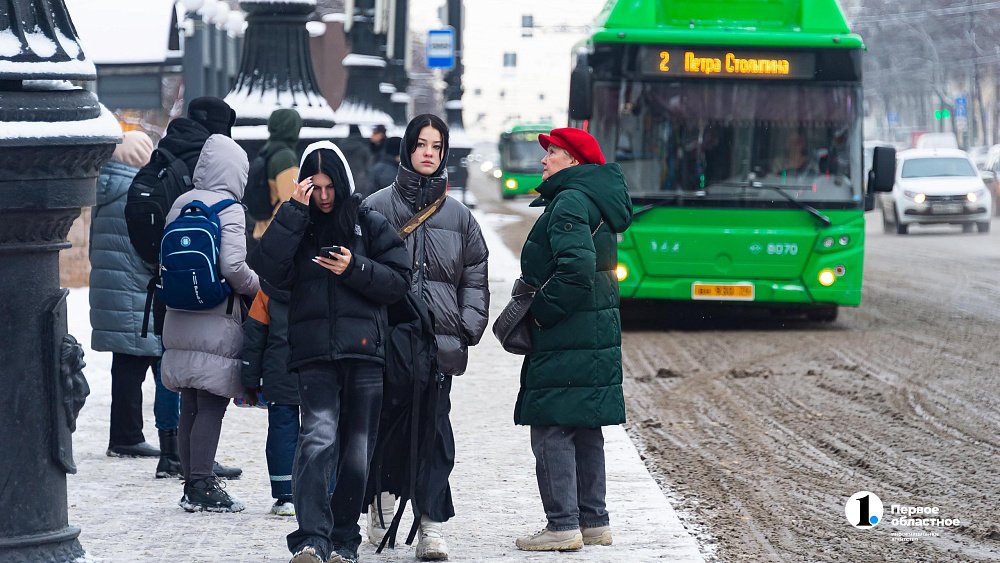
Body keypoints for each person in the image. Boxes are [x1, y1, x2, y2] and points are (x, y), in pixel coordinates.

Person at [251, 141, 411, 563]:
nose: (323, 196)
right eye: (315, 187)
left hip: (364, 355)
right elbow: (267, 269)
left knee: (357, 450)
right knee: (316, 441)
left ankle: (343, 540)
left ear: (342, 184)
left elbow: (399, 282)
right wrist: (292, 212)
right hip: (315, 353)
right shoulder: (297, 224)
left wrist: (354, 268)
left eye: (329, 187)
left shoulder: (368, 223)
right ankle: (310, 538)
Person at [362, 114, 490, 560]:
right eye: (421, 144)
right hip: (388, 342)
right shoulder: (376, 207)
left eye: (436, 145)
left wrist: (466, 325)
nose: (428, 153)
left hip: (438, 345)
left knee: (434, 434)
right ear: (406, 149)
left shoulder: (460, 217)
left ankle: (431, 525)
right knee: (383, 428)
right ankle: (379, 504)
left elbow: (474, 274)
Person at [513, 127, 632, 552]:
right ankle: (593, 521)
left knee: (550, 426)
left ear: (574, 163)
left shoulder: (569, 200)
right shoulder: (594, 199)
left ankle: (562, 525)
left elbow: (575, 269)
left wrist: (540, 312)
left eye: (553, 153)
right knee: (584, 425)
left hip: (567, 330)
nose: (544, 160)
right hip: (593, 330)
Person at [133, 96, 243, 480]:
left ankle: (175, 458)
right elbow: (232, 264)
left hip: (173, 292)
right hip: (213, 299)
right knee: (208, 392)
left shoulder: (167, 160)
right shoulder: (220, 189)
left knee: (183, 383)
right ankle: (200, 475)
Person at [160, 134, 260, 513]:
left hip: (180, 311)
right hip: (217, 314)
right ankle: (202, 483)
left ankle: (191, 482)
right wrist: (256, 288)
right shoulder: (230, 209)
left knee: (189, 400)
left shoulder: (180, 204)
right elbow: (233, 267)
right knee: (212, 403)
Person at [89, 130, 169, 461]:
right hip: (135, 291)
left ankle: (126, 433)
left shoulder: (104, 188)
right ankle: (130, 436)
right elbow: (143, 246)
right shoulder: (134, 192)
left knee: (127, 364)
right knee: (144, 363)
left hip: (112, 290)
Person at [240, 279, 299, 517]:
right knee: (322, 429)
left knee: (282, 430)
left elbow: (254, 334)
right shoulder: (327, 278)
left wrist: (250, 378)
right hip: (318, 366)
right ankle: (326, 489)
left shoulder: (268, 287)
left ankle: (286, 495)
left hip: (279, 369)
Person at [252, 108, 302, 240]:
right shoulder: (285, 157)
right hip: (278, 235)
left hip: (262, 231)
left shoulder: (267, 151)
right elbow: (291, 201)